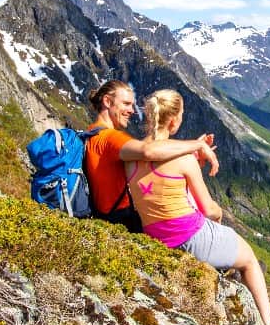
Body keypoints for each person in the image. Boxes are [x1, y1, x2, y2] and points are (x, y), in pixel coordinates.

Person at [127, 89, 270, 325]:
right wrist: (219, 213)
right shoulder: (184, 160)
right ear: (174, 121)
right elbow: (208, 210)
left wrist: (193, 154)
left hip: (155, 237)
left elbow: (160, 176)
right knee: (250, 260)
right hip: (190, 237)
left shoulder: (130, 157)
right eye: (181, 114)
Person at [84, 80, 219, 233]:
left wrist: (190, 156)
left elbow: (145, 161)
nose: (132, 110)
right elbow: (148, 151)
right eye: (126, 104)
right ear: (107, 101)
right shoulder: (111, 138)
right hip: (123, 221)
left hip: (104, 217)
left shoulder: (92, 133)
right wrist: (198, 145)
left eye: (132, 105)